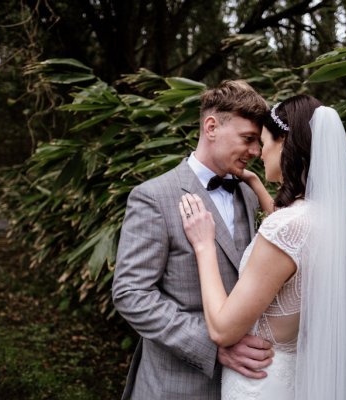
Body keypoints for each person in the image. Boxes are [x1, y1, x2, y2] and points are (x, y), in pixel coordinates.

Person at [179, 94, 346, 400]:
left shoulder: (287, 226)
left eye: (263, 142)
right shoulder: (325, 220)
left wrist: (204, 246)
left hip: (257, 382)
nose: (258, 153)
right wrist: (256, 184)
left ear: (286, 144)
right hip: (291, 379)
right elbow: (288, 236)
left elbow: (223, 330)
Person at [112, 80, 276, 399]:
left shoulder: (248, 194)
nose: (256, 152)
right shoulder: (154, 198)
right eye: (248, 139)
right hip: (175, 385)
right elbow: (131, 293)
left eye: (259, 142)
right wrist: (212, 347)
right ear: (211, 126)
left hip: (246, 385)